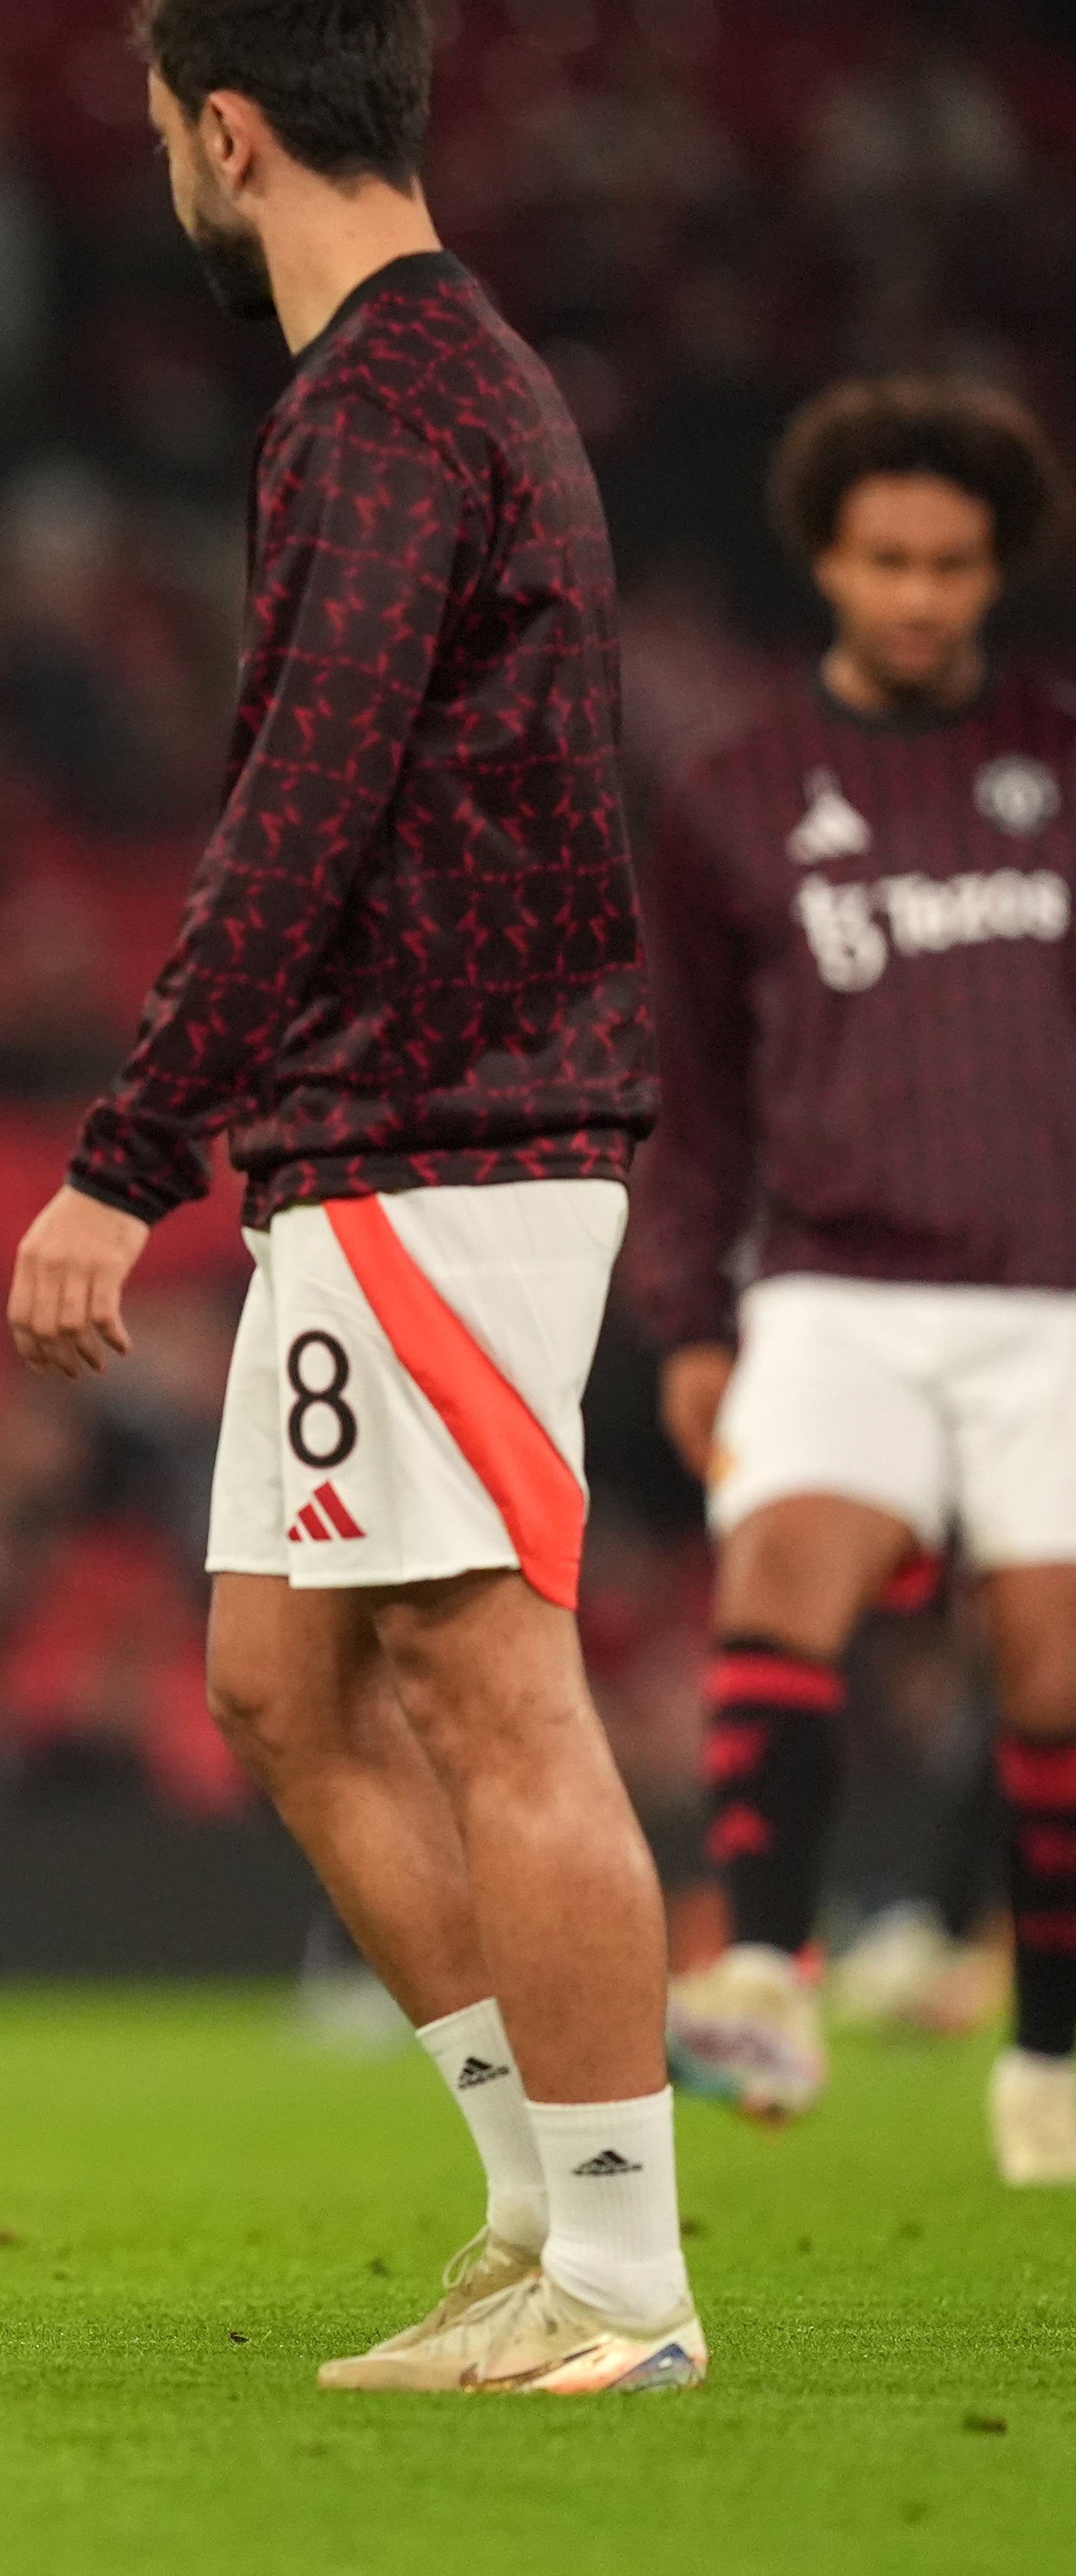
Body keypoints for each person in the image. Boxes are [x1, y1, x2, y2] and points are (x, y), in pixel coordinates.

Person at [6, 0, 702, 2392]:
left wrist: (126, 1153)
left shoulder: (387, 399)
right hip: (383, 1128)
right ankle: (537, 2214)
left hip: (450, 1118)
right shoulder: (418, 381)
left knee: (487, 1676)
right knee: (281, 1681)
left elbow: (307, 800)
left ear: (224, 128)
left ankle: (623, 2271)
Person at [627, 377, 1076, 2183]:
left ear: (997, 570)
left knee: (1053, 1678)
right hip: (829, 1277)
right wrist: (693, 1314)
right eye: (885, 557)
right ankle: (761, 1966)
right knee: (783, 1583)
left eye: (952, 563)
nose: (916, 593)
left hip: (1051, 1288)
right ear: (825, 557)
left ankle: (1047, 2053)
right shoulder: (735, 792)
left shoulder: (1063, 761)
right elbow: (694, 1083)